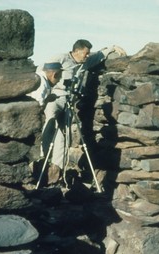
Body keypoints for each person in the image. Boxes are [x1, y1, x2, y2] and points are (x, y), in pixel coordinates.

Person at [42, 39, 126, 184]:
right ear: (77, 51)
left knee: (65, 135)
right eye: (85, 54)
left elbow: (99, 55)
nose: (87, 56)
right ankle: (42, 165)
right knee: (49, 129)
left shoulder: (85, 62)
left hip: (69, 101)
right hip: (55, 98)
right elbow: (44, 72)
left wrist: (113, 48)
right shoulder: (60, 58)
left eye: (88, 54)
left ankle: (57, 171)